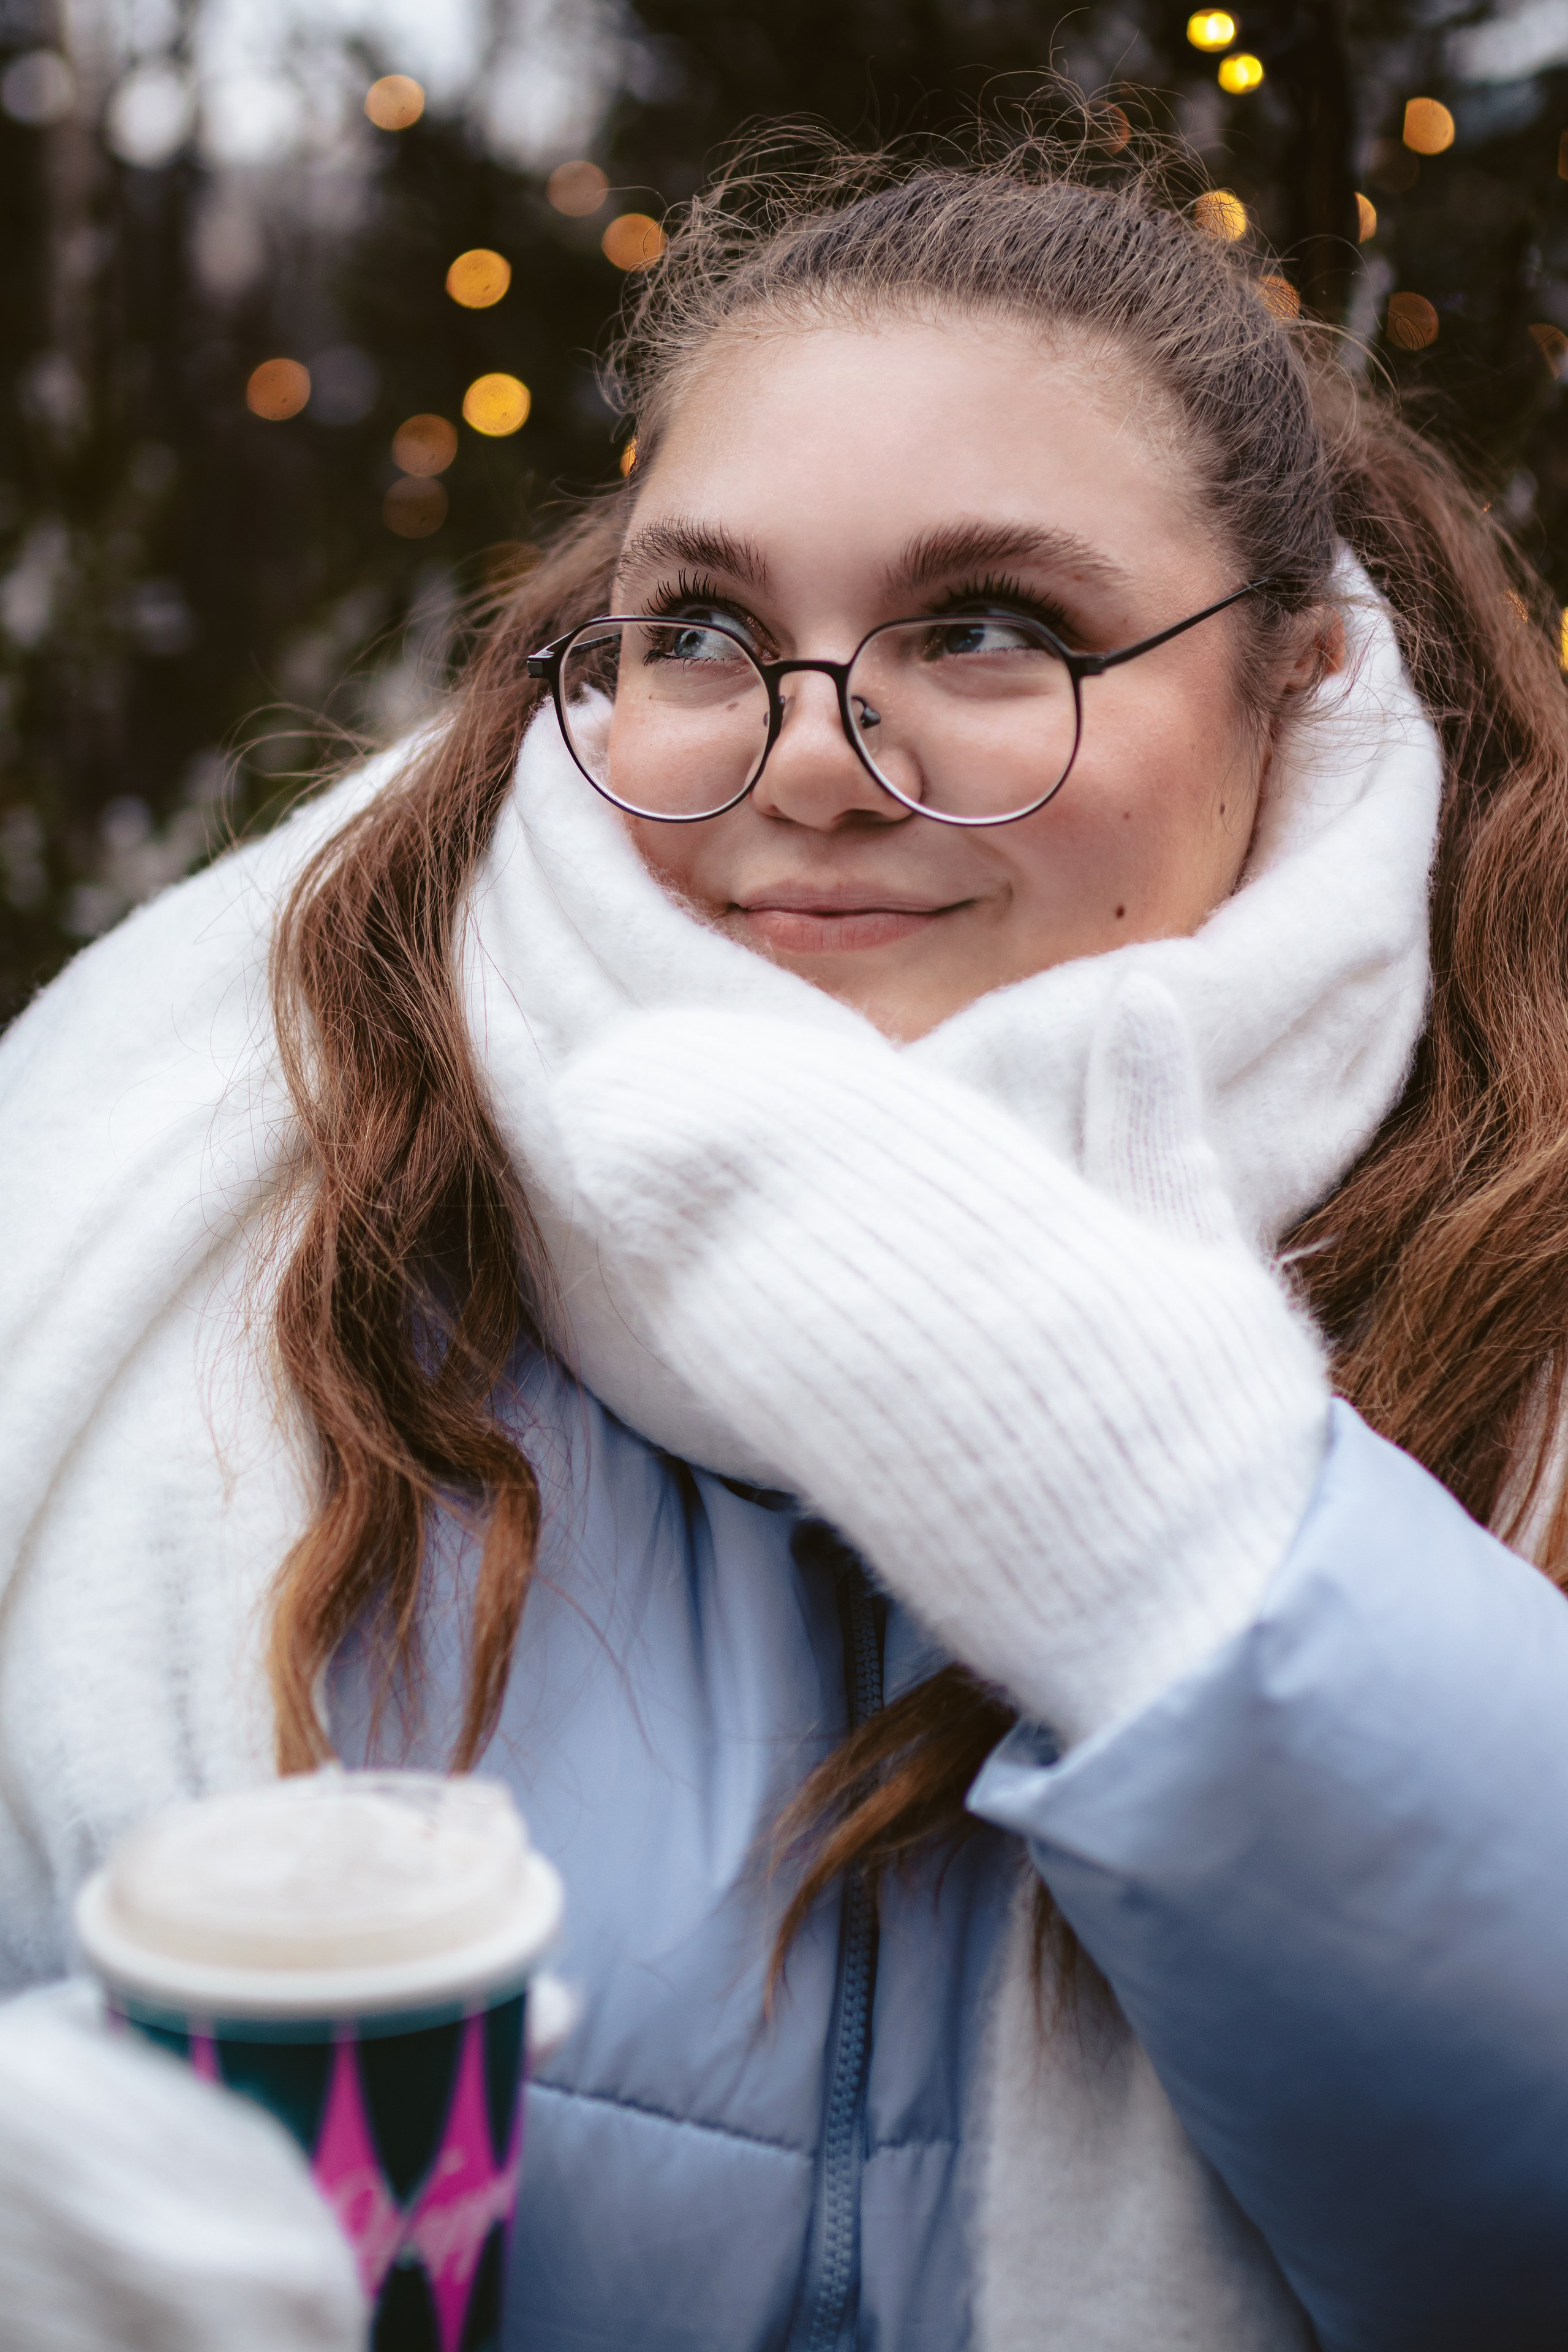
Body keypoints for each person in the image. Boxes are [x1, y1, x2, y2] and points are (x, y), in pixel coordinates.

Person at [4, 110, 1568, 2352]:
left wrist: (1205, 1566)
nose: (808, 763)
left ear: (1296, 671)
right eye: (709, 630)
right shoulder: (263, 1213)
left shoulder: (1530, 1243)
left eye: (993, 626)